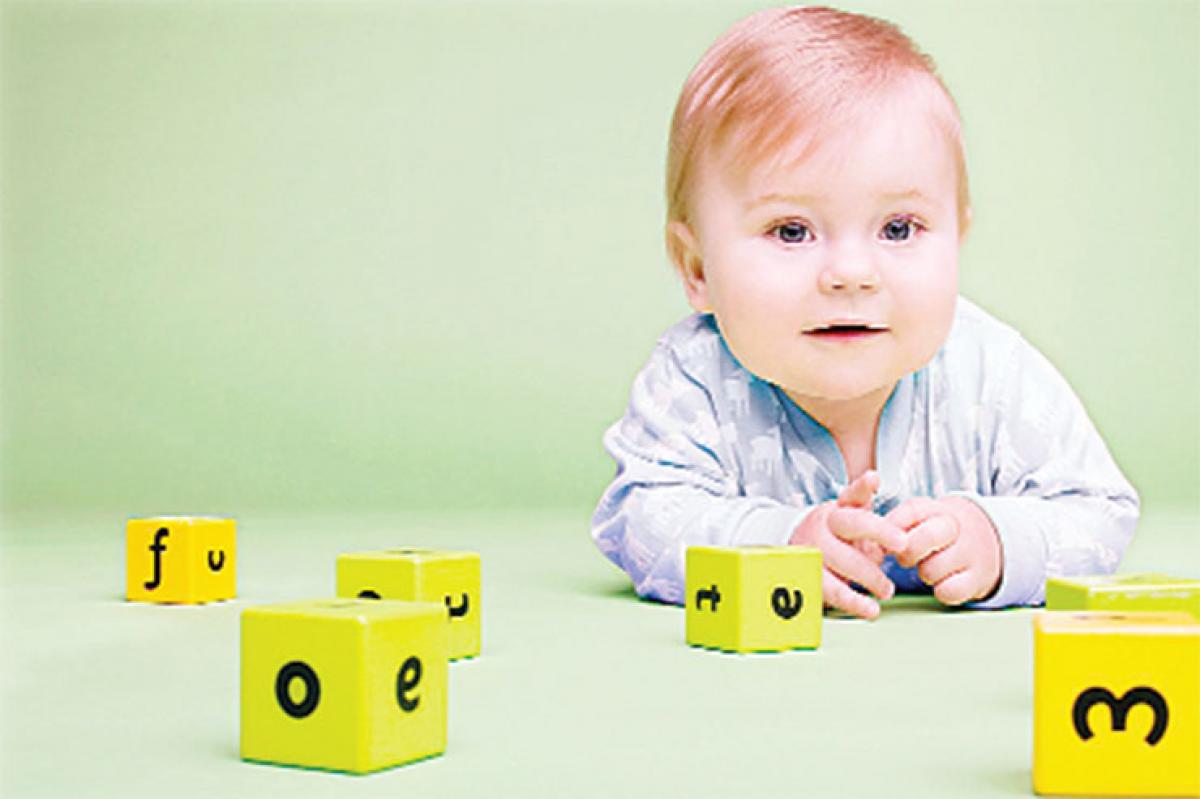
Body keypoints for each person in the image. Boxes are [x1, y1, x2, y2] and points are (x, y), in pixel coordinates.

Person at [590, 5, 1138, 620]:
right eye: (791, 231)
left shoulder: (991, 374)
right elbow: (639, 518)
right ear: (696, 269)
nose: (851, 273)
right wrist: (780, 545)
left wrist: (1002, 539)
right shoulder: (698, 380)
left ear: (956, 238)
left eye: (899, 228)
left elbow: (1099, 509)